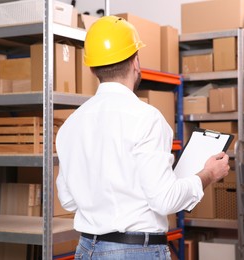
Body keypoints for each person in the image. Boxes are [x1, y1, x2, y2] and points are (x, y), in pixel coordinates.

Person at [55, 15, 230, 260]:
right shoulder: (146, 118)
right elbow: (165, 200)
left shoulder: (70, 125)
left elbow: (68, 201)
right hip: (134, 251)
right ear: (136, 62)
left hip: (87, 250)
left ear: (93, 68)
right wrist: (208, 173)